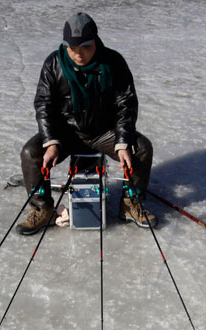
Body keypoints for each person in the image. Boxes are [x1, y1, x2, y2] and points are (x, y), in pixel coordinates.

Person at [17, 12, 157, 235]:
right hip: (67, 133)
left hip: (104, 132)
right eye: (72, 48)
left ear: (95, 42)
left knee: (141, 149)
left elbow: (126, 105)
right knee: (30, 153)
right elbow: (44, 105)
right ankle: (42, 209)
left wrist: (122, 143)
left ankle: (130, 204)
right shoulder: (54, 64)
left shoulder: (113, 62)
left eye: (85, 47)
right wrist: (51, 142)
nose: (78, 54)